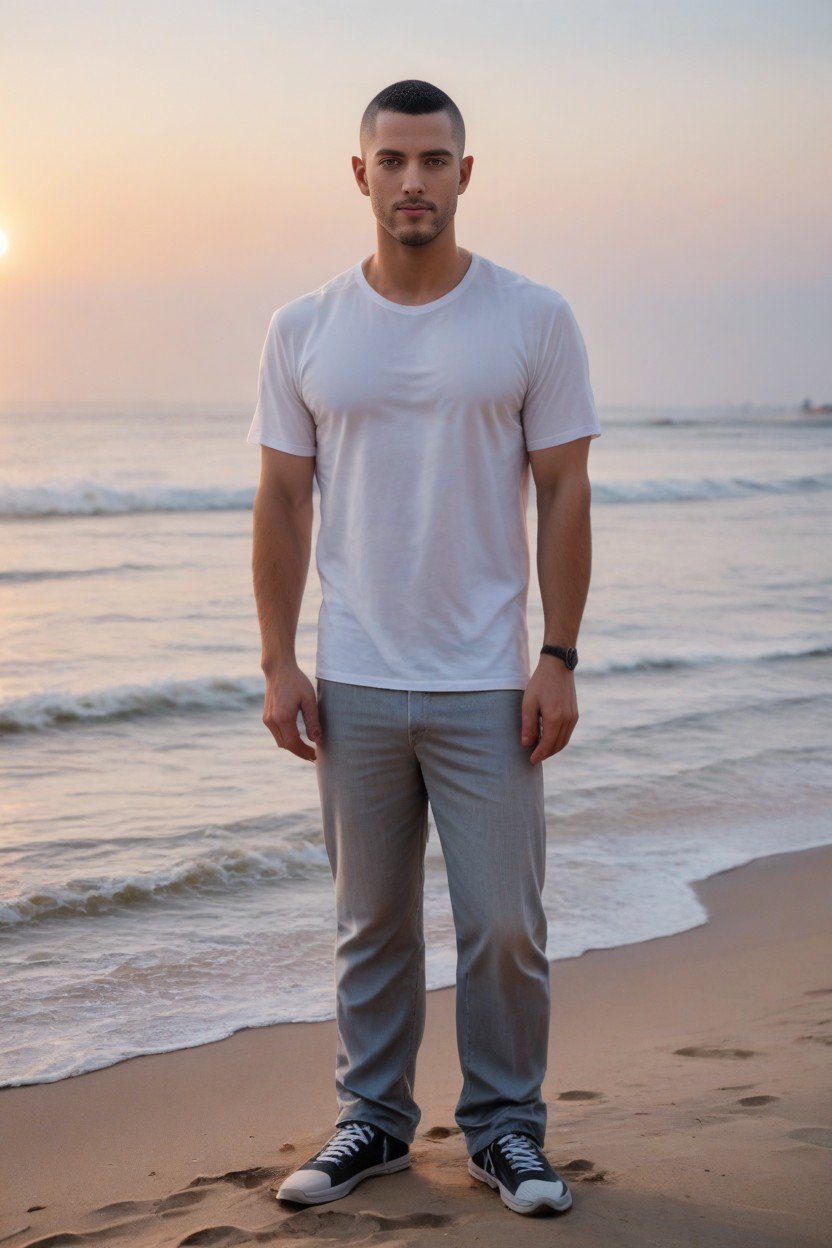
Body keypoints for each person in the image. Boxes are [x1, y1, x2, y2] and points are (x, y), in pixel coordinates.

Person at [246, 78, 601, 1218]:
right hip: (352, 673)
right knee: (372, 921)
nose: (412, 180)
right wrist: (276, 660)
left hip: (486, 679)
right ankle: (375, 1123)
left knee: (505, 921)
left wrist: (560, 654)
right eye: (391, 161)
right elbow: (282, 502)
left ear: (464, 173)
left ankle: (506, 1132)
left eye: (433, 160)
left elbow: (563, 489)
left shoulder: (530, 316)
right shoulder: (302, 329)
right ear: (360, 175)